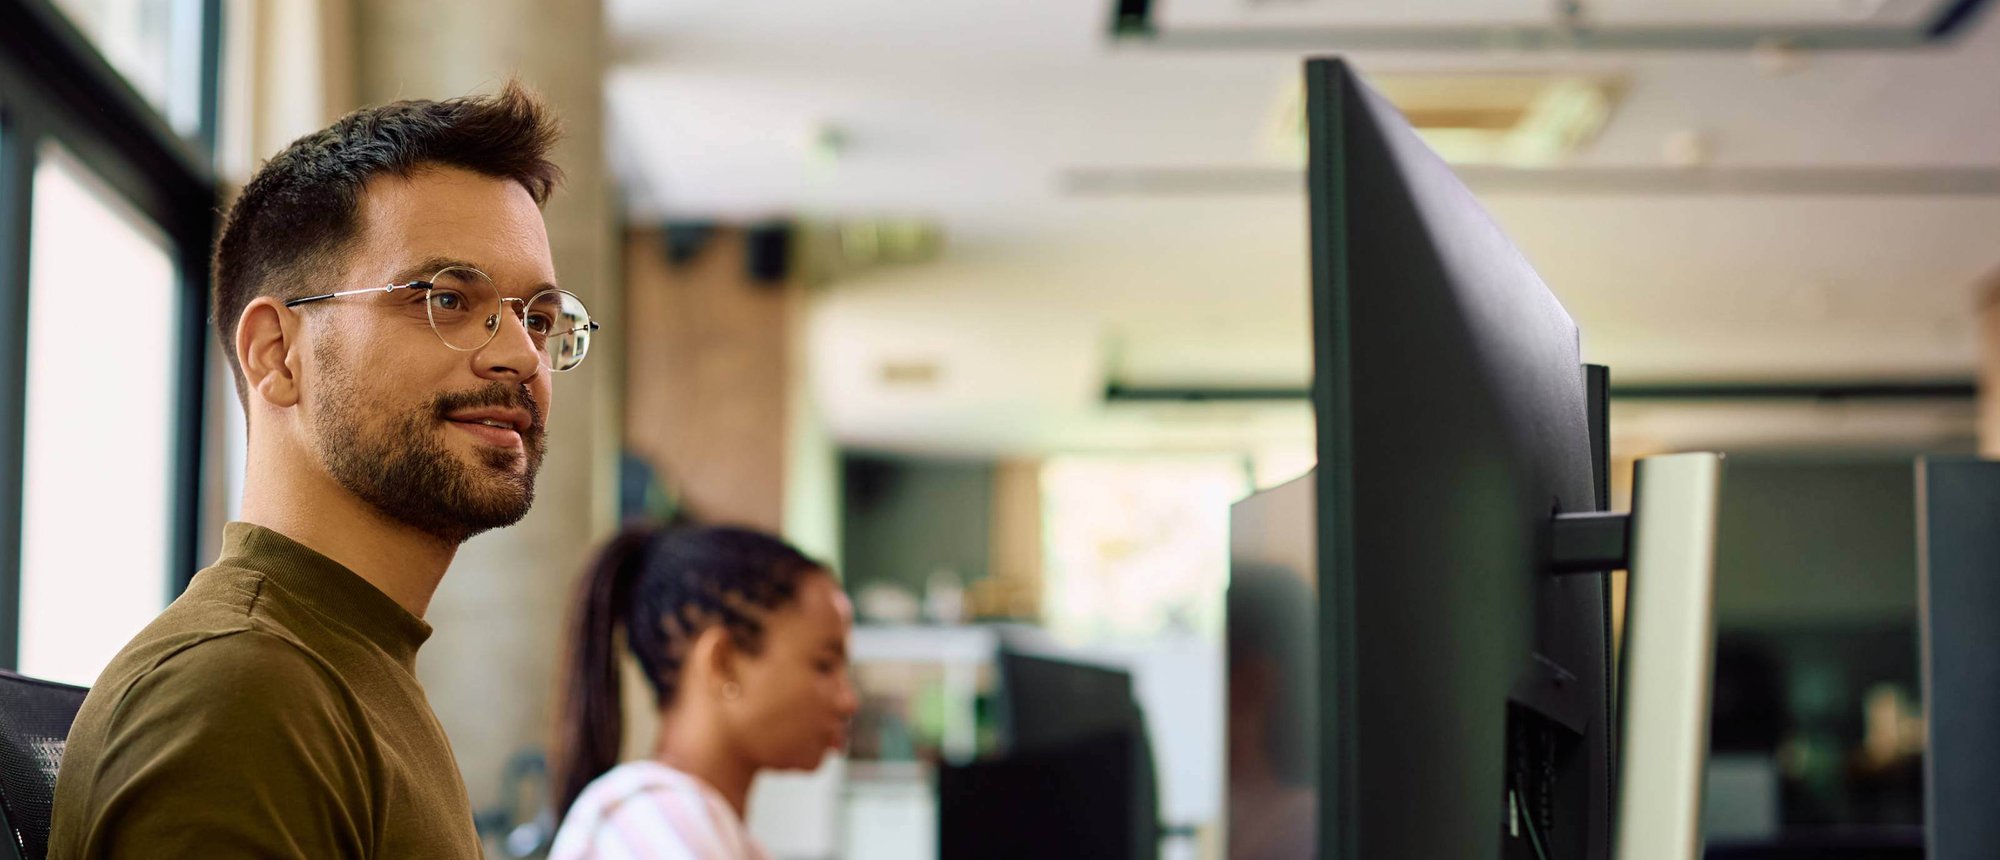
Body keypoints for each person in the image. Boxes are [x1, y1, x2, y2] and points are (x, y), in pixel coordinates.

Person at [49, 82, 598, 858]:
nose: (520, 355)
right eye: (446, 298)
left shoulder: (348, 663)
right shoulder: (239, 691)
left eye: (538, 317)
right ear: (277, 355)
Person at [549, 523, 859, 859]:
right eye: (824, 665)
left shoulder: (710, 833)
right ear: (723, 662)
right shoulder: (652, 821)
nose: (848, 701)